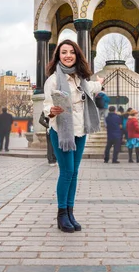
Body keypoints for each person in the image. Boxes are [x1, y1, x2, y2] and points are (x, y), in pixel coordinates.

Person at [43, 39, 103, 233]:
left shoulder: (81, 79)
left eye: (71, 52)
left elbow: (93, 87)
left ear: (77, 55)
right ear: (58, 56)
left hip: (80, 130)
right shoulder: (53, 80)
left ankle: (70, 212)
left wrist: (100, 83)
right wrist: (51, 110)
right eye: (63, 52)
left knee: (74, 172)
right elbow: (45, 105)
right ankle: (61, 215)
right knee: (67, 172)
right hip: (61, 130)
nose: (68, 55)